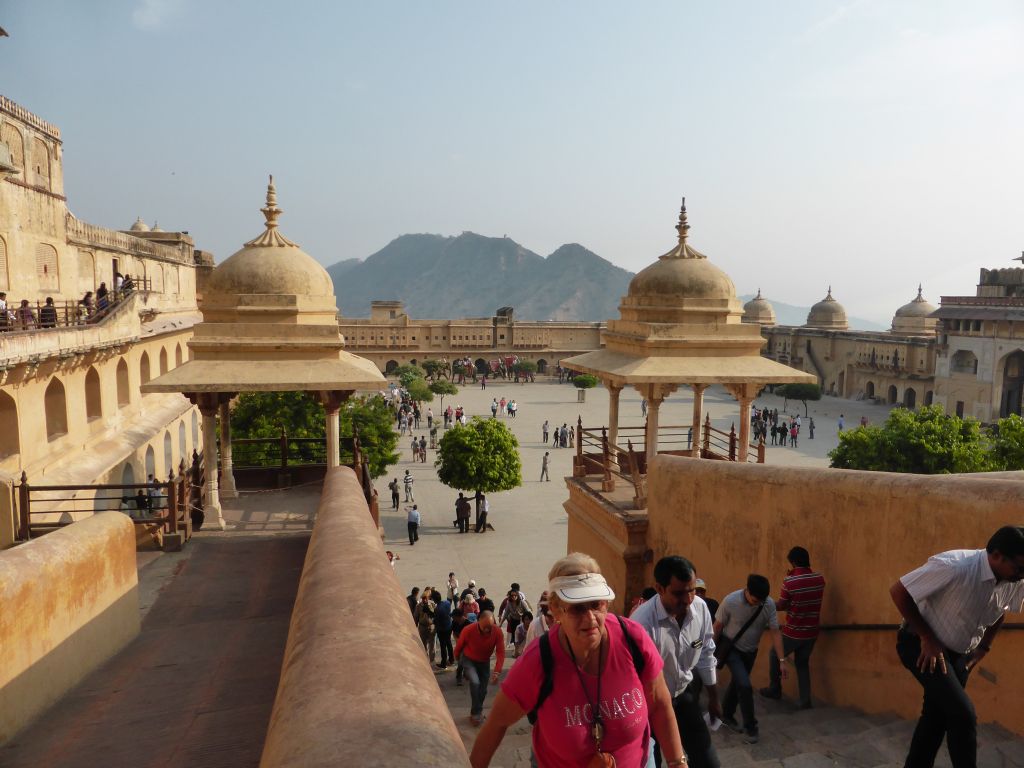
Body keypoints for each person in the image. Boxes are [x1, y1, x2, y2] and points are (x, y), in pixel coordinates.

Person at [469, 553, 686, 768]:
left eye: (596, 605)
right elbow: (496, 724)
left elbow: (660, 703)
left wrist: (677, 762)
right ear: (556, 610)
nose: (590, 618)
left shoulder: (632, 640)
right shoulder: (538, 661)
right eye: (577, 608)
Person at [890, 526, 1024, 768]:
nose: (1022, 575)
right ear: (997, 555)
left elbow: (1001, 611)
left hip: (960, 655)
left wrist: (983, 648)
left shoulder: (1014, 579)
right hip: (921, 645)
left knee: (936, 719)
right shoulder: (955, 566)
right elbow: (899, 592)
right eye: (1019, 568)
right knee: (963, 715)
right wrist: (927, 638)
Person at [631, 556, 721, 768]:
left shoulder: (700, 608)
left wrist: (713, 697)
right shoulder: (642, 624)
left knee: (708, 762)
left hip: (684, 694)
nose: (688, 599)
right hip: (649, 705)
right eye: (679, 593)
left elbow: (706, 652)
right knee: (652, 761)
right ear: (659, 588)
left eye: (692, 590)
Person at [713, 574, 786, 744]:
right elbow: (717, 627)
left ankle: (727, 715)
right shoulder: (730, 601)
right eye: (755, 600)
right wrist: (709, 652)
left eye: (762, 600)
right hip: (731, 649)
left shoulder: (768, 604)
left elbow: (775, 632)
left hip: (751, 652)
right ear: (747, 591)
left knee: (738, 683)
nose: (758, 603)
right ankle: (751, 728)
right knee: (745, 685)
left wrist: (782, 661)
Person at [760, 547, 825, 709]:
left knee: (774, 654)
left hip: (794, 631)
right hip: (812, 631)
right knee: (802, 663)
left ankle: (775, 688)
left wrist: (766, 603)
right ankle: (805, 700)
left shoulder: (789, 581)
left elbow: (782, 605)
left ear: (793, 562)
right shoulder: (819, 579)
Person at [454, 610, 506, 727]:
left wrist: (497, 671)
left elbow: (500, 652)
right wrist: (457, 658)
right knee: (475, 682)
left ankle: (477, 712)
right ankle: (475, 714)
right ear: (478, 621)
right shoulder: (468, 630)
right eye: (485, 627)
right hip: (469, 660)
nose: (487, 630)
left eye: (490, 627)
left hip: (484, 662)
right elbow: (459, 645)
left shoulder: (497, 632)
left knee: (483, 690)